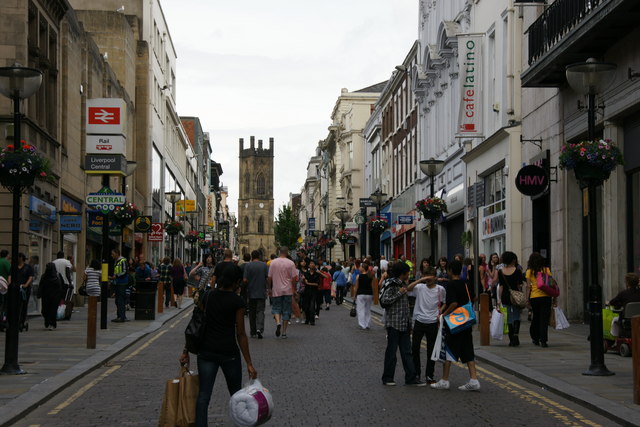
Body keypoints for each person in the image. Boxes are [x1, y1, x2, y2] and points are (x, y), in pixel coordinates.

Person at [179, 264, 257, 427]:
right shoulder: (238, 302)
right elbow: (241, 333)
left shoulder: (206, 296)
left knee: (203, 396)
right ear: (236, 282)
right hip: (229, 353)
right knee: (236, 396)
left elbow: (195, 324)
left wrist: (186, 351)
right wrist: (249, 363)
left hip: (206, 352)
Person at [431, 260, 480, 391]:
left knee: (449, 349)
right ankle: (474, 379)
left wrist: (443, 315)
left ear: (450, 270)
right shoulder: (466, 283)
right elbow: (473, 298)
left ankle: (445, 380)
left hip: (454, 322)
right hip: (466, 321)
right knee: (467, 349)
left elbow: (453, 303)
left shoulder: (451, 284)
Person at [380, 261, 425, 386]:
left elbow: (405, 307)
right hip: (394, 323)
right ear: (402, 273)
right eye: (407, 273)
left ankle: (411, 378)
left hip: (404, 323)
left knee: (407, 352)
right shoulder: (391, 284)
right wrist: (399, 293)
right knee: (391, 352)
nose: (409, 274)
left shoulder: (403, 283)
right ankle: (388, 378)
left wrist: (409, 324)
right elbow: (384, 301)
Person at [407, 275, 444, 384]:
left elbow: (445, 301)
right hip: (419, 321)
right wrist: (420, 280)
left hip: (432, 322)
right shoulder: (419, 287)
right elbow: (408, 288)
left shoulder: (440, 289)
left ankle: (429, 375)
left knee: (431, 350)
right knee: (415, 348)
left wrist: (440, 312)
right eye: (426, 277)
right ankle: (416, 373)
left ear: (435, 278)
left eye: (430, 277)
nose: (427, 279)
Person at [267, 247, 298, 338]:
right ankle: (284, 333)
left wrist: (269, 288)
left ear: (279, 252)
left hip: (276, 289)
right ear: (287, 252)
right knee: (286, 311)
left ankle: (278, 322)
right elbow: (294, 278)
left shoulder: (273, 262)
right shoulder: (291, 263)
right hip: (287, 290)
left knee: (276, 308)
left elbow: (269, 277)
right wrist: (294, 289)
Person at [525, 252, 554, 347]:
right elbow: (551, 284)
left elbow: (528, 286)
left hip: (534, 297)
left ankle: (535, 338)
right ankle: (544, 340)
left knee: (536, 318)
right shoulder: (546, 270)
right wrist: (554, 298)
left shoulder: (529, 271)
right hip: (546, 297)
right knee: (544, 319)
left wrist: (527, 299)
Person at [496, 251, 525, 347]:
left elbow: (501, 287)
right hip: (515, 295)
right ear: (513, 259)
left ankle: (511, 338)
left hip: (505, 296)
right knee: (516, 316)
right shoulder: (517, 271)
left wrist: (499, 299)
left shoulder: (501, 271)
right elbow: (520, 285)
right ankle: (516, 336)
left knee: (508, 317)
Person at [243, 250, 269, 339]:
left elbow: (245, 280)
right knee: (260, 311)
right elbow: (267, 278)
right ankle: (259, 329)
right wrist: (268, 289)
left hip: (251, 292)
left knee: (252, 312)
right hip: (261, 292)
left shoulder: (248, 265)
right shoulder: (264, 265)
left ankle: (253, 331)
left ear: (251, 256)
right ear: (259, 256)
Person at [38, 262, 64, 330]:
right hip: (46, 296)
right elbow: (41, 285)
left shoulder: (58, 275)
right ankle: (47, 320)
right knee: (44, 310)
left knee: (53, 311)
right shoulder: (44, 276)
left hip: (55, 296)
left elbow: (62, 285)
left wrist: (61, 296)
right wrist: (39, 293)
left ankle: (52, 323)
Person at [13, 253, 34, 332]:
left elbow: (30, 277)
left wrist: (26, 284)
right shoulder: (14, 267)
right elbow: (10, 276)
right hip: (15, 289)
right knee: (15, 306)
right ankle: (15, 321)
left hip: (24, 290)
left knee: (23, 305)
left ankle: (21, 321)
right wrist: (10, 283)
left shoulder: (28, 267)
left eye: (18, 257)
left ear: (21, 258)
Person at [354, 261, 377, 330]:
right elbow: (372, 287)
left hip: (361, 294)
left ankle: (362, 325)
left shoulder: (359, 276)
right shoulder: (370, 276)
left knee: (360, 310)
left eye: (360, 267)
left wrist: (354, 296)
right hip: (369, 294)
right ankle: (367, 324)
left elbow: (356, 287)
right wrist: (373, 295)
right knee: (368, 310)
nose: (359, 268)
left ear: (363, 268)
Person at [52, 251, 74, 320]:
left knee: (57, 299)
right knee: (66, 300)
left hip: (56, 283)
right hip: (65, 283)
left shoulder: (53, 262)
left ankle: (57, 313)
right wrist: (70, 282)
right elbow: (67, 273)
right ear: (63, 255)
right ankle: (64, 314)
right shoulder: (66, 262)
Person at [111, 248, 129, 322]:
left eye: (113, 253)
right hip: (118, 282)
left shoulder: (123, 260)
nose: (112, 255)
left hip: (122, 283)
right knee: (117, 300)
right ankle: (120, 316)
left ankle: (122, 317)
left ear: (117, 253)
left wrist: (117, 276)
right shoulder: (116, 261)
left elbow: (124, 271)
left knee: (120, 300)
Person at [302, 260, 321, 325]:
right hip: (306, 291)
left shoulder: (317, 274)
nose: (311, 264)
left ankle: (312, 320)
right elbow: (304, 283)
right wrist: (303, 280)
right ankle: (307, 319)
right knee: (306, 306)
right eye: (310, 263)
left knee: (312, 306)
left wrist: (308, 283)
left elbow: (317, 284)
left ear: (315, 265)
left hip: (314, 292)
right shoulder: (306, 273)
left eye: (313, 263)